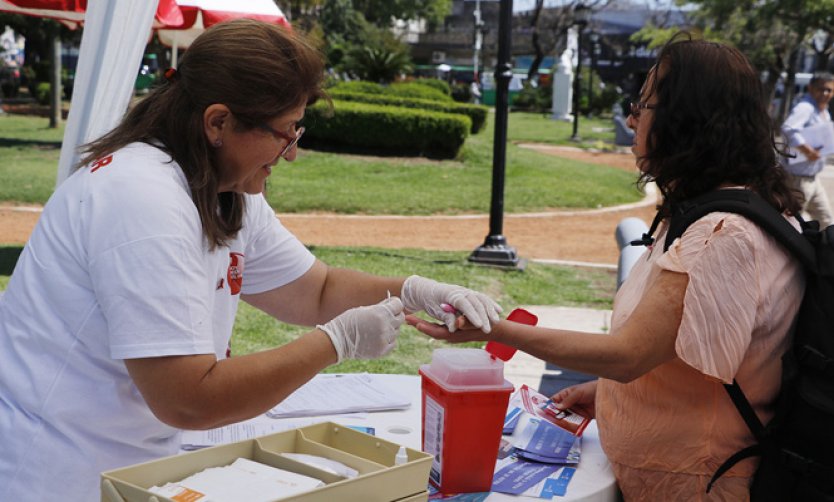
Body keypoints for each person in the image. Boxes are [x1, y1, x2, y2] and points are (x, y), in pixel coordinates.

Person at [0, 19, 500, 501]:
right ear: (218, 122)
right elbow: (189, 397)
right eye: (286, 133)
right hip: (59, 474)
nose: (291, 154)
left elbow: (315, 290)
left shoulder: (222, 187)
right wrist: (336, 342)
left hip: (128, 462)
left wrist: (413, 290)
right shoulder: (141, 200)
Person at [409, 34, 804, 500]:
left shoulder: (723, 235)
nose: (632, 117)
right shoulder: (714, 210)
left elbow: (628, 355)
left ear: (685, 121)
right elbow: (677, 359)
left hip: (698, 484)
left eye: (644, 104)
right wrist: (611, 395)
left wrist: (495, 330)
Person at [780, 72, 834, 227]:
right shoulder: (806, 107)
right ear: (810, 88)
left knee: (826, 221)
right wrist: (808, 150)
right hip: (798, 180)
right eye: (821, 89)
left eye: (829, 90)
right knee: (792, 224)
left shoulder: (823, 110)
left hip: (812, 179)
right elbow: (788, 128)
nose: (825, 93)